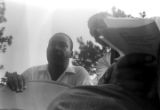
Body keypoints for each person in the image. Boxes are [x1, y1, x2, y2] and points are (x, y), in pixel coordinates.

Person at [47, 13, 160, 110]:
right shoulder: (104, 62)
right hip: (135, 95)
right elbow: (104, 86)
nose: (98, 36)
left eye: (101, 27)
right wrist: (118, 74)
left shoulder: (153, 23)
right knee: (65, 101)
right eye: (94, 33)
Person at [6, 32, 92, 92]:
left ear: (71, 54)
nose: (56, 48)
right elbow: (17, 97)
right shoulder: (31, 73)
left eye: (62, 45)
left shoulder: (79, 74)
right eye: (52, 44)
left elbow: (84, 103)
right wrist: (13, 83)